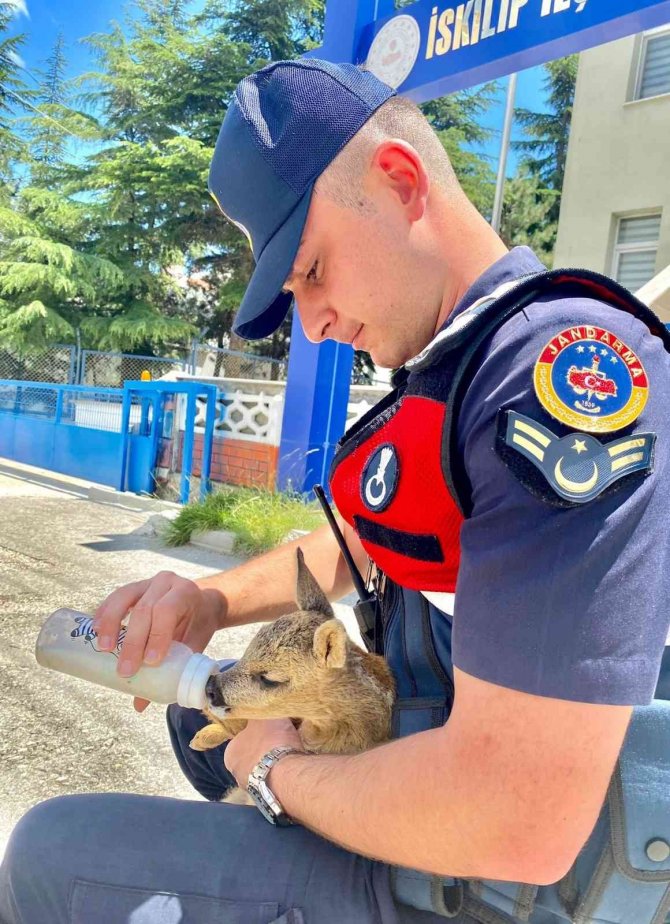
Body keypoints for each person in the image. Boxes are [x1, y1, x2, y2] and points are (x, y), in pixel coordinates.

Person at [2, 58, 670, 924]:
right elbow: (364, 537)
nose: (313, 324)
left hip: (495, 883)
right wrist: (210, 601)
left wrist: (275, 772)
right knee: (198, 720)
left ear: (399, 180)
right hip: (432, 758)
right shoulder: (463, 361)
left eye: (312, 269)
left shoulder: (560, 380)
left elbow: (519, 819)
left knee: (52, 851)